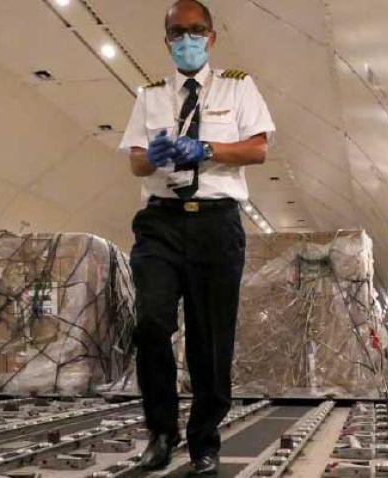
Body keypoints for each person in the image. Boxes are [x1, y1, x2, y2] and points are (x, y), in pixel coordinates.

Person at [118, 0, 275, 474]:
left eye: (195, 31)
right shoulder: (150, 94)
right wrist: (157, 153)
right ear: (167, 40)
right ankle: (161, 432)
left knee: (211, 338)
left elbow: (258, 148)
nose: (186, 39)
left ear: (211, 36)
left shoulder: (239, 86)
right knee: (150, 323)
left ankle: (204, 440)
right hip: (161, 222)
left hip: (215, 221)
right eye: (177, 33)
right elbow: (136, 161)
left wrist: (207, 147)